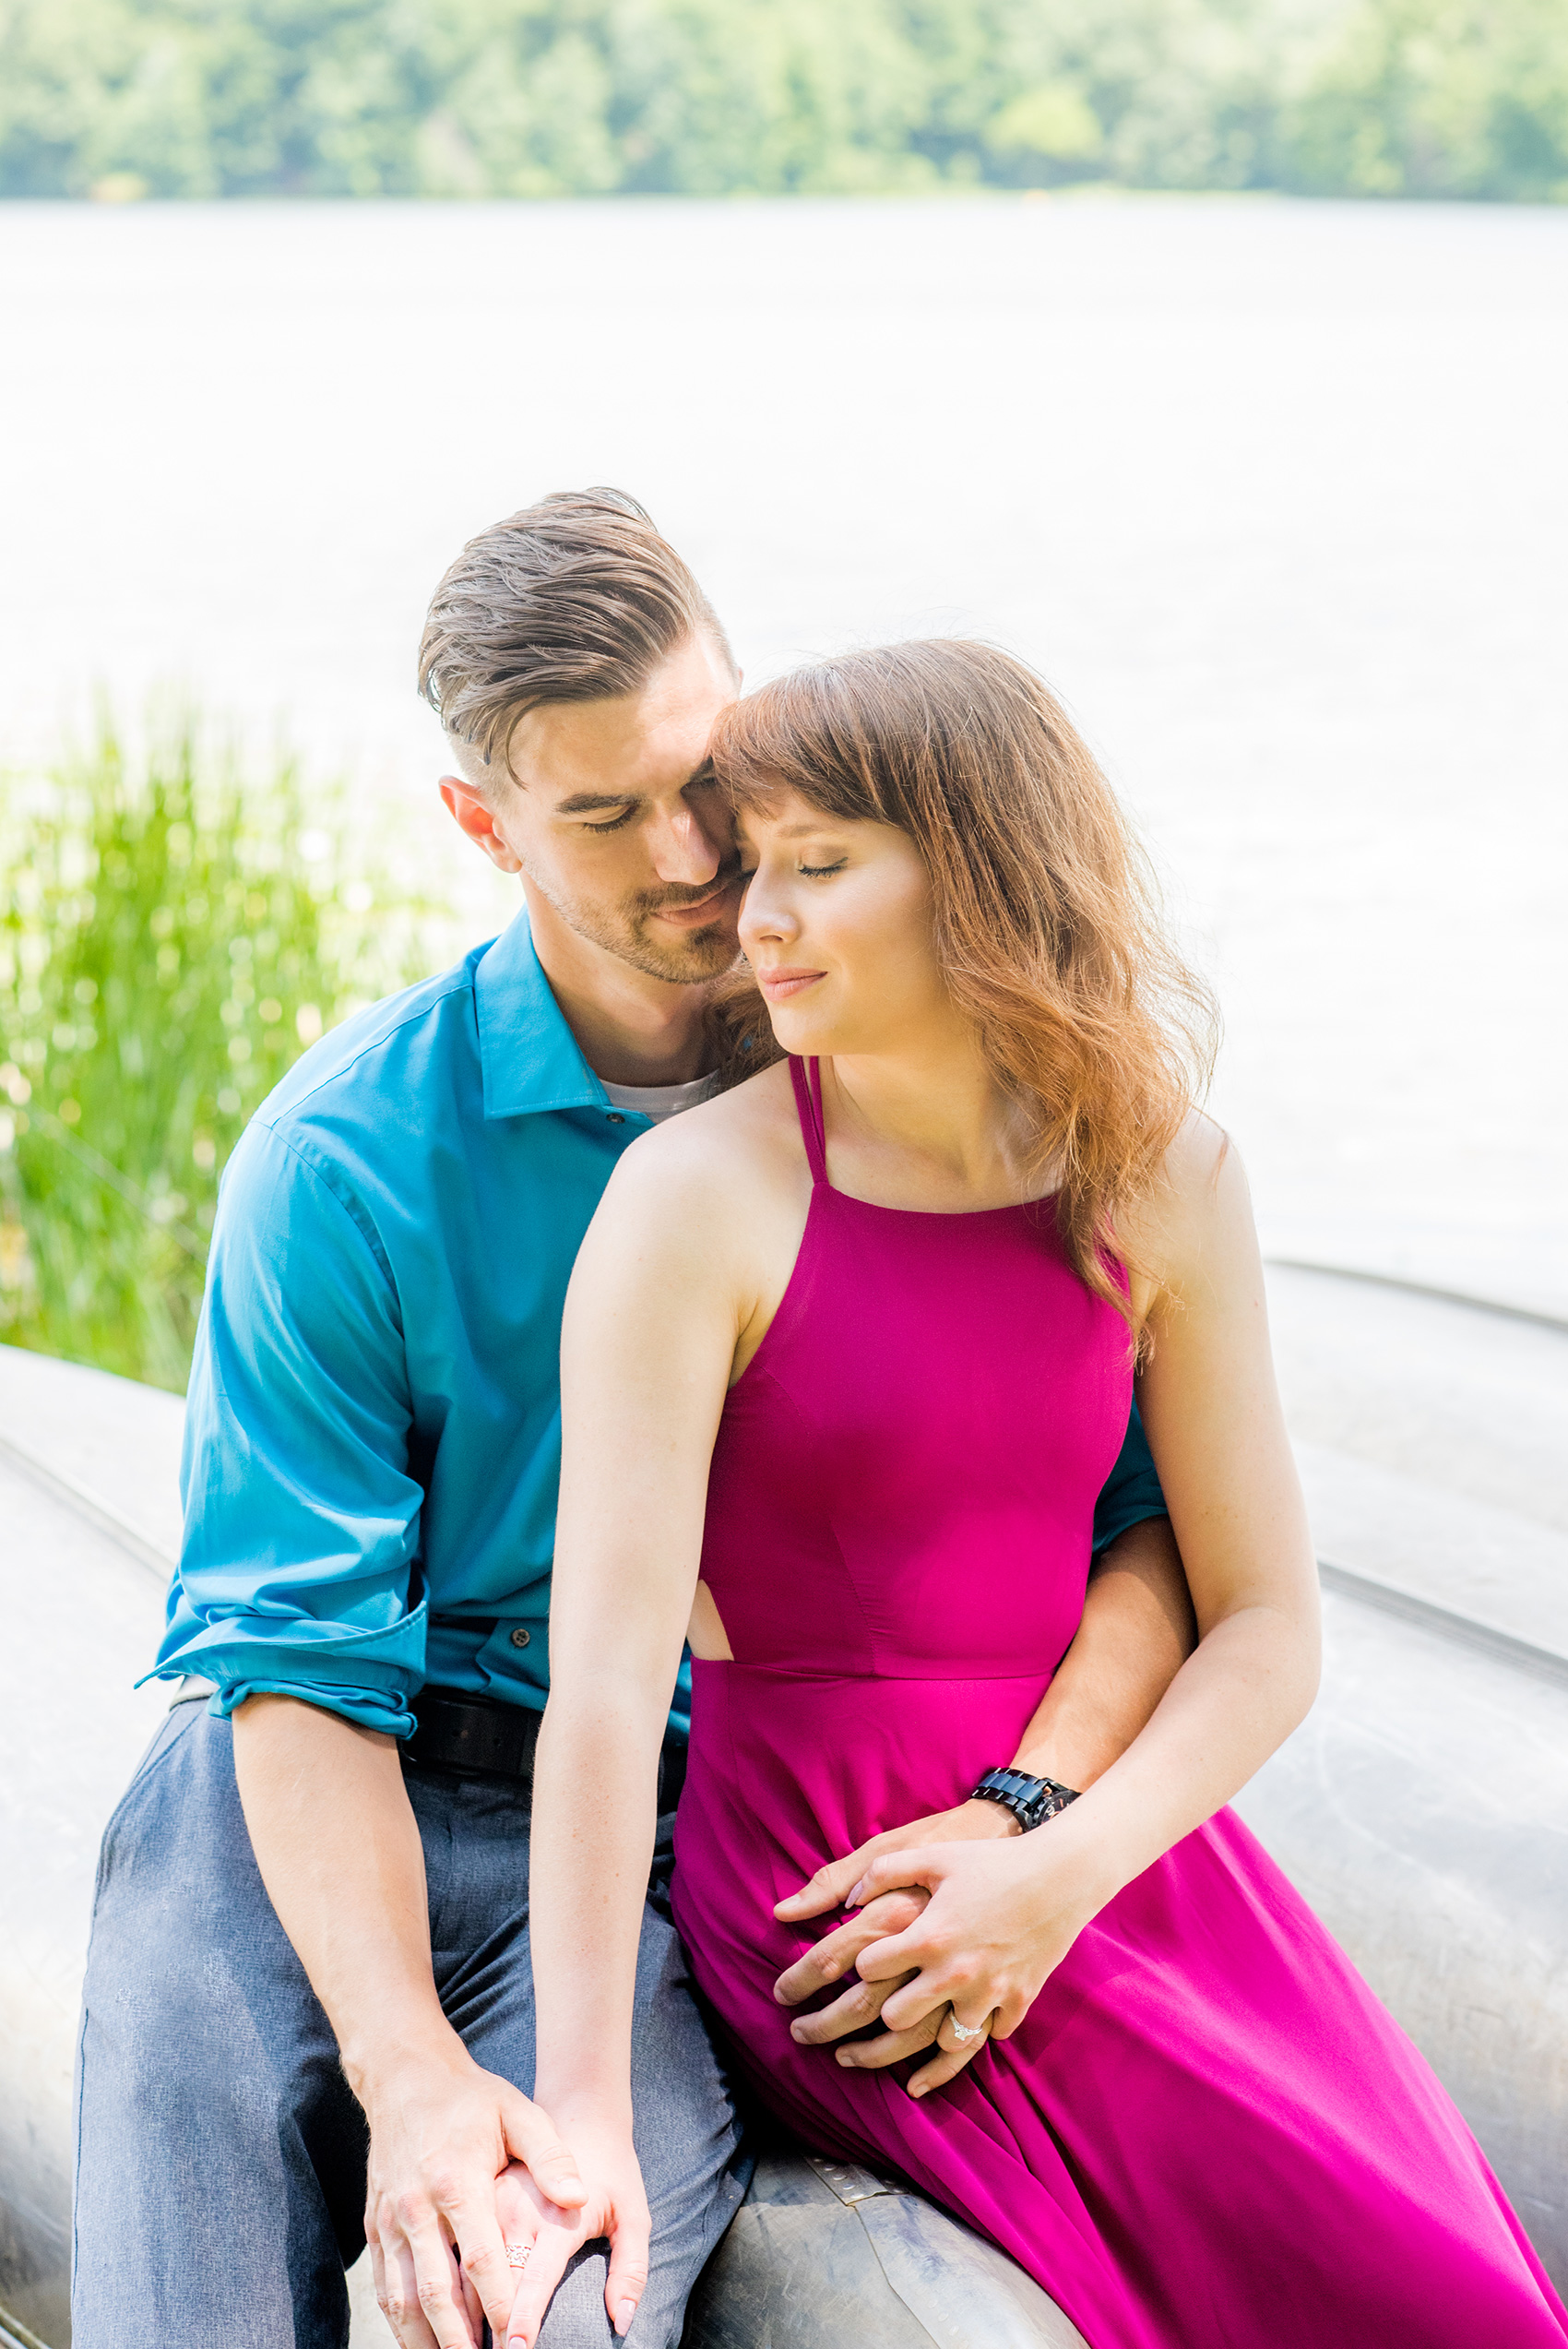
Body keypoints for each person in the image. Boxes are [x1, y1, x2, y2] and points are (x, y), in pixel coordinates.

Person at [71, 494, 1194, 2349]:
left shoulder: (921, 1098)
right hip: (301, 1789)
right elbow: (293, 1659)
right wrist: (413, 2077)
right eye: (603, 813)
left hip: (654, 1838)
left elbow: (1142, 1526)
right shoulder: (346, 1161)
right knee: (184, 2258)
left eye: (707, 778)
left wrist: (1032, 1814)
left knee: (569, 2306)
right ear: (481, 820)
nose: (695, 859)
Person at [520, 638, 1568, 2349]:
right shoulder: (690, 1201)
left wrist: (1054, 1863)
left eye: (816, 863)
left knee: (1446, 2290)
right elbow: (608, 1691)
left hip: (1108, 1844)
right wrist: (582, 2101)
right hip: (844, 1904)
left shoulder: (1165, 1174)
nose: (750, 916)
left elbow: (1268, 1626)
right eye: (752, 863)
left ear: (978, 870)